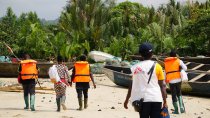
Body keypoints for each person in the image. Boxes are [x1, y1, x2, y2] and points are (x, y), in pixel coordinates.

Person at [124, 42, 167, 118]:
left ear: (141, 54)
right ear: (152, 53)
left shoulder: (135, 68)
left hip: (142, 100)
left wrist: (127, 100)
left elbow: (131, 86)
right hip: (156, 98)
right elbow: (162, 85)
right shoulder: (157, 66)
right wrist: (165, 101)